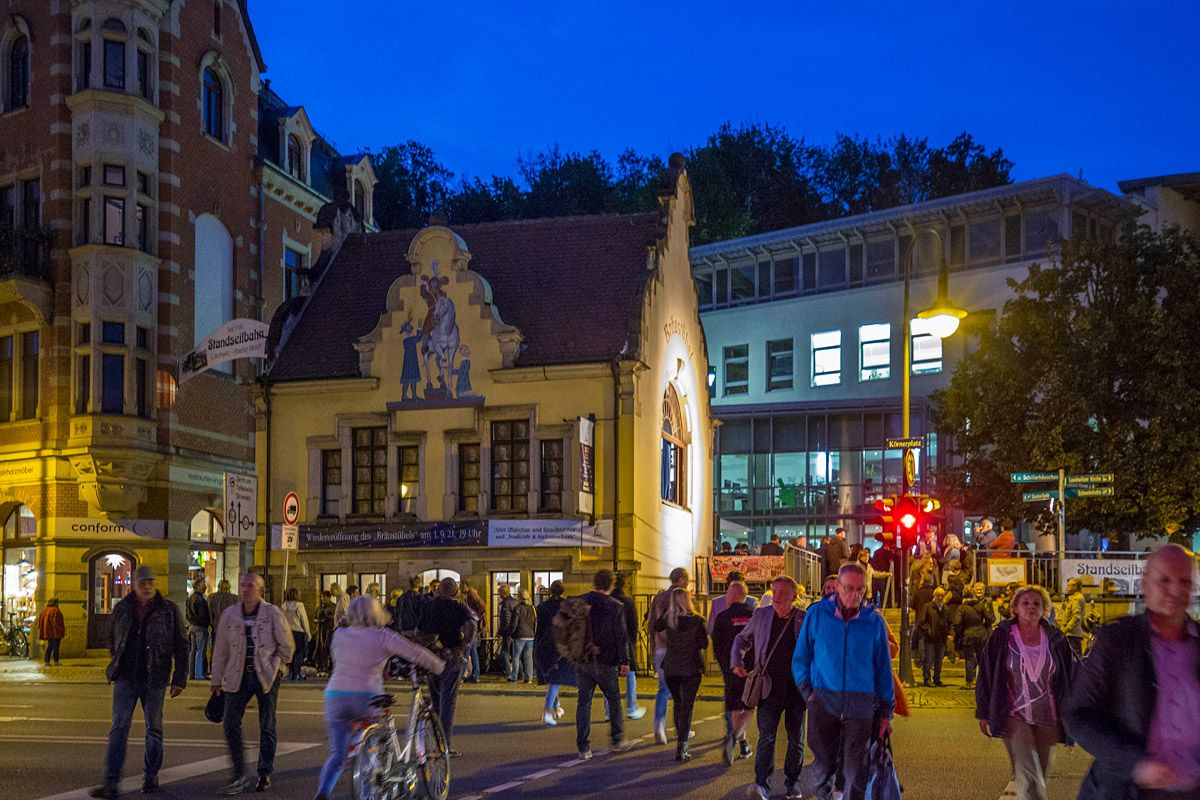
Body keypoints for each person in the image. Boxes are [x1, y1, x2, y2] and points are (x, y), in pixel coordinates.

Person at [1063, 544, 1200, 799]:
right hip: (1129, 790)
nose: (1175, 589)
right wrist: (1136, 764)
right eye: (1164, 580)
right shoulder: (1118, 641)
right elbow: (1077, 715)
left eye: (1183, 581)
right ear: (1144, 584)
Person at [313, 595, 445, 800]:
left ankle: (322, 792)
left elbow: (343, 659)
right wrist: (439, 667)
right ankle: (370, 792)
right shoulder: (383, 636)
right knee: (371, 751)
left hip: (335, 696)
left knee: (338, 755)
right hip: (366, 696)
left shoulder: (339, 634)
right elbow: (415, 653)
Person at [793, 563, 894, 800]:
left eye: (860, 589)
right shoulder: (817, 614)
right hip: (823, 699)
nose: (854, 595)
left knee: (856, 768)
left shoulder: (874, 622)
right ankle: (824, 795)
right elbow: (801, 657)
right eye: (849, 588)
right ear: (837, 586)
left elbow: (882, 668)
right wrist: (807, 690)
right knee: (823, 764)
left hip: (860, 703)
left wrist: (886, 712)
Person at [89, 566, 188, 799]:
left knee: (154, 729)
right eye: (143, 582)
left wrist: (179, 679)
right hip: (126, 677)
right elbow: (113, 636)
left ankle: (151, 777)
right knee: (118, 728)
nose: (147, 586)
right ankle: (111, 782)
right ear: (135, 584)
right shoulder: (123, 608)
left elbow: (182, 646)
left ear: (155, 584)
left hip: (155, 679)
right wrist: (116, 657)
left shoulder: (169, 610)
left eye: (151, 582)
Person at [976, 584, 1075, 800]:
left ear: (1044, 610)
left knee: (1033, 776)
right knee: (1031, 777)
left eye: (1036, 603)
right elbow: (986, 672)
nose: (1031, 607)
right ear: (1015, 608)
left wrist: (1075, 715)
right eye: (1026, 603)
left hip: (1048, 719)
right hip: (1014, 716)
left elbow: (1071, 676)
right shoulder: (1002, 636)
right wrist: (983, 711)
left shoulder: (1056, 639)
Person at [211, 573, 295, 794]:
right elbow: (221, 649)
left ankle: (264, 772)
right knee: (230, 722)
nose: (245, 589)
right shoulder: (230, 615)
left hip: (266, 674)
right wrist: (216, 678)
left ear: (260, 590)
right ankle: (239, 773)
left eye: (250, 586)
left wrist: (279, 667)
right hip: (237, 674)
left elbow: (286, 645)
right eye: (243, 585)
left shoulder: (271, 613)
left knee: (267, 724)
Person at [732, 576, 806, 800]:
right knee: (767, 737)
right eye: (775, 591)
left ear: (794, 596)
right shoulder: (762, 615)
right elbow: (741, 639)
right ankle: (761, 784)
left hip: (796, 689)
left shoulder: (803, 618)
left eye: (783, 592)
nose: (777, 596)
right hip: (768, 687)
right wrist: (737, 661)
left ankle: (792, 783)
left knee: (796, 738)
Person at [571, 569, 632, 759]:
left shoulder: (580, 602)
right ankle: (617, 739)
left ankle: (583, 747)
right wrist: (625, 661)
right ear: (610, 585)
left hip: (583, 659)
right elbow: (620, 636)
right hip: (606, 659)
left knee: (584, 702)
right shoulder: (615, 606)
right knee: (613, 698)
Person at [416, 577, 476, 755]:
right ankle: (445, 745)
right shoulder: (459, 607)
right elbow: (472, 624)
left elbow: (418, 630)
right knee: (448, 700)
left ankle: (435, 740)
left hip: (431, 656)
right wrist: (465, 643)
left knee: (436, 698)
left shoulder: (429, 606)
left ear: (439, 590)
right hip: (452, 655)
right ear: (456, 592)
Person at [652, 587, 708, 762]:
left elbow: (655, 625)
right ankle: (682, 746)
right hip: (691, 668)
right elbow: (704, 644)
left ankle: (680, 741)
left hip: (671, 667)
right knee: (687, 706)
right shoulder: (698, 620)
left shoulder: (668, 619)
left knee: (678, 703)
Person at [712, 580, 755, 764]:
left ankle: (736, 738)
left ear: (734, 595)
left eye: (729, 593)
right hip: (751, 670)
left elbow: (717, 645)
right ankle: (738, 738)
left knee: (736, 707)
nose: (727, 597)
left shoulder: (722, 617)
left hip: (731, 669)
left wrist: (725, 667)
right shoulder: (754, 616)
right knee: (749, 707)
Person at [647, 566, 690, 744]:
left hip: (660, 647)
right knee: (681, 690)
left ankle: (659, 725)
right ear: (681, 579)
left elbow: (650, 623)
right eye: (686, 579)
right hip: (678, 649)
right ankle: (682, 728)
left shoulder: (659, 597)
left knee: (663, 688)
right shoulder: (682, 596)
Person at [534, 580, 573, 725]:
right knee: (556, 679)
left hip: (543, 644)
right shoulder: (566, 607)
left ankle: (556, 707)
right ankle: (548, 710)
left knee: (553, 677)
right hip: (559, 645)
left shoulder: (542, 607)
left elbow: (539, 629)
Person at [611, 573, 647, 719]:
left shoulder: (608, 600)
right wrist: (632, 641)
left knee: (611, 677)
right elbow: (633, 624)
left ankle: (610, 712)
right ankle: (631, 707)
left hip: (610, 642)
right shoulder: (628, 601)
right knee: (630, 675)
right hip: (625, 641)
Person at [955, 582, 994, 688]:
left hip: (968, 635)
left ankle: (969, 682)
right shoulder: (980, 606)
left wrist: (960, 633)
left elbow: (957, 623)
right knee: (981, 658)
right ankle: (984, 681)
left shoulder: (962, 608)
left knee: (969, 658)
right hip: (981, 635)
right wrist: (985, 627)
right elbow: (989, 618)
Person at [919, 587, 952, 687]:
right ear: (934, 596)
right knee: (929, 659)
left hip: (941, 638)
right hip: (930, 637)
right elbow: (922, 621)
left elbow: (950, 622)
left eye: (942, 595)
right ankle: (927, 679)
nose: (940, 597)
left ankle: (937, 678)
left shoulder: (946, 608)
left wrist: (949, 633)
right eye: (938, 595)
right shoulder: (928, 607)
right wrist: (928, 631)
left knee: (939, 660)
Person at [281, 588, 311, 681]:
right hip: (298, 632)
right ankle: (297, 674)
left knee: (291, 653)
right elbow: (304, 620)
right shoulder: (299, 606)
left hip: (287, 632)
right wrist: (308, 633)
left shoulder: (283, 606)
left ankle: (291, 673)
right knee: (299, 653)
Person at [509, 588, 536, 683]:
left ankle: (514, 677)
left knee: (516, 657)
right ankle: (529, 678)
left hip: (520, 635)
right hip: (531, 636)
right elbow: (535, 622)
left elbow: (514, 624)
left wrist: (511, 634)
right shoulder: (532, 608)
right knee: (528, 658)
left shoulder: (518, 608)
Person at [461, 580, 487, 682]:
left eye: (462, 587)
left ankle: (463, 674)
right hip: (475, 625)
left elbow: (482, 608)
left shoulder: (471, 594)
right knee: (473, 651)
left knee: (466, 651)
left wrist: (478, 617)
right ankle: (475, 674)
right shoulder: (469, 595)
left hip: (472, 626)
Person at [186, 580, 210, 680]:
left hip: (192, 626)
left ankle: (192, 673)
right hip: (200, 627)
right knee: (200, 651)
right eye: (203, 585)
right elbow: (202, 614)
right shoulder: (200, 599)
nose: (205, 587)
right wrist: (207, 622)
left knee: (193, 651)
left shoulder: (190, 598)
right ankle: (198, 674)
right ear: (198, 586)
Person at [1058, 578, 1087, 658]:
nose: (1067, 588)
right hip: (1072, 634)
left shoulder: (1076, 599)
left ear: (1075, 586)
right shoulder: (1074, 598)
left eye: (1069, 585)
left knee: (1075, 658)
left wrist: (1066, 629)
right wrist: (1066, 607)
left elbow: (1076, 617)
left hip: (1072, 634)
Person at [37, 598, 65, 667]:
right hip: (55, 632)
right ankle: (56, 661)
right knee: (56, 647)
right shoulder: (55, 610)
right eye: (58, 602)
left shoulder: (45, 610)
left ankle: (47, 661)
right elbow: (57, 622)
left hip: (48, 632)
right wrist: (61, 629)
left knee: (50, 646)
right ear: (55, 603)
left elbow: (40, 620)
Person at [497, 583, 517, 677]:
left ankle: (509, 673)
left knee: (505, 653)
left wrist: (502, 631)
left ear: (503, 592)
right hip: (515, 631)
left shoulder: (506, 603)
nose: (499, 594)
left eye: (499, 592)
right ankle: (519, 673)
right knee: (515, 654)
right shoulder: (515, 601)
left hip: (508, 632)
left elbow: (506, 619)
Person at [313, 591, 334, 675]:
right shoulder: (319, 608)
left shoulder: (333, 607)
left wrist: (328, 618)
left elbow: (334, 617)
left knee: (328, 648)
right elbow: (314, 618)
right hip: (320, 630)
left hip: (329, 630)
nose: (322, 599)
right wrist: (318, 621)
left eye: (324, 597)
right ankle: (321, 666)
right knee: (320, 649)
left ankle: (330, 667)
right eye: (321, 597)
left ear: (329, 597)